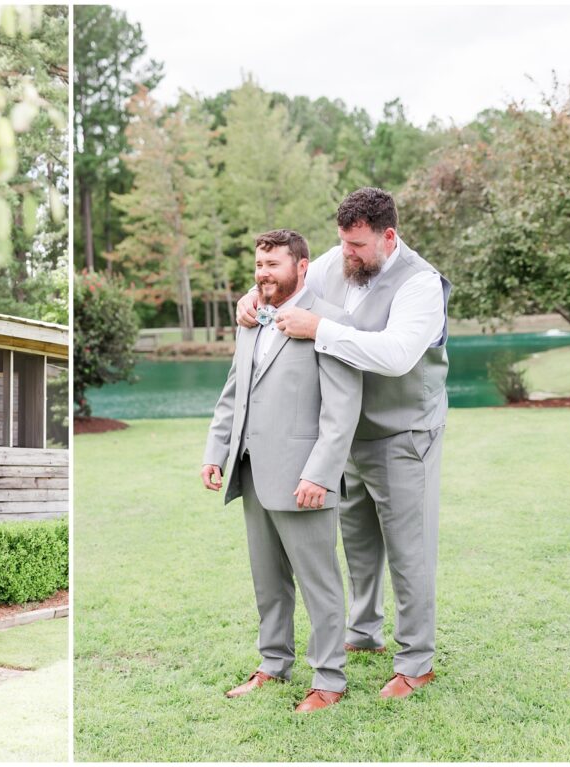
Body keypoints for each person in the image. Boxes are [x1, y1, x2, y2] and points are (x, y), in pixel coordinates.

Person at [236, 187, 450, 699]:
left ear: (388, 236)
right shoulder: (337, 260)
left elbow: (397, 354)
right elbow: (291, 281)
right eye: (343, 243)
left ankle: (416, 662)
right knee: (357, 543)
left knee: (409, 549)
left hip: (404, 432)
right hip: (343, 433)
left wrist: (322, 329)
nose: (347, 254)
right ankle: (364, 631)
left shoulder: (421, 283)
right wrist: (254, 297)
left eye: (358, 245)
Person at [202, 229, 362, 713]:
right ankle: (273, 665)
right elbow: (235, 392)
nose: (263, 274)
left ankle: (329, 679)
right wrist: (216, 451)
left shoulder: (330, 322)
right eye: (259, 265)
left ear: (303, 266)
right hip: (252, 475)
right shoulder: (251, 319)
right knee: (268, 582)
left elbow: (343, 408)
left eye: (273, 265)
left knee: (320, 584)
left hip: (304, 482)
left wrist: (320, 473)